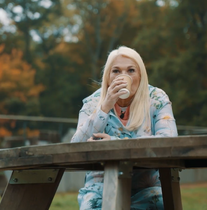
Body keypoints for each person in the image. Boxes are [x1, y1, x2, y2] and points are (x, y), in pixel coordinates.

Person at [71, 46, 178, 210]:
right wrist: (104, 107)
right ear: (108, 77)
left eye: (130, 70)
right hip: (102, 187)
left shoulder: (156, 98)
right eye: (116, 71)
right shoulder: (93, 102)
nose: (123, 76)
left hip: (147, 187)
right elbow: (75, 147)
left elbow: (170, 141)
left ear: (140, 75)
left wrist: (115, 142)